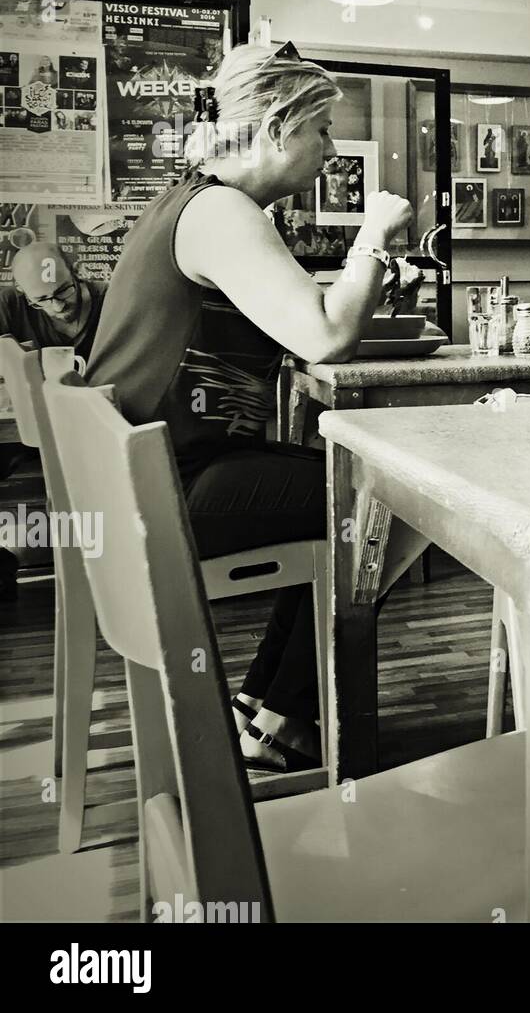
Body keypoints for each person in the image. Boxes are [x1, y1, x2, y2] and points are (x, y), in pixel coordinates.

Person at [88, 42, 413, 773]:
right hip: (165, 487)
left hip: (144, 473)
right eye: (321, 129)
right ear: (274, 128)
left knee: (354, 481)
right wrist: (370, 238)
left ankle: (272, 708)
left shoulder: (195, 200)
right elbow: (326, 336)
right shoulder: (220, 212)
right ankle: (284, 716)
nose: (332, 149)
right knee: (382, 499)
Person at [0, 243, 106, 363]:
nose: (58, 307)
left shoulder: (110, 298)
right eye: (41, 300)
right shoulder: (8, 304)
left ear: (76, 272)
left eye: (63, 290)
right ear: (21, 289)